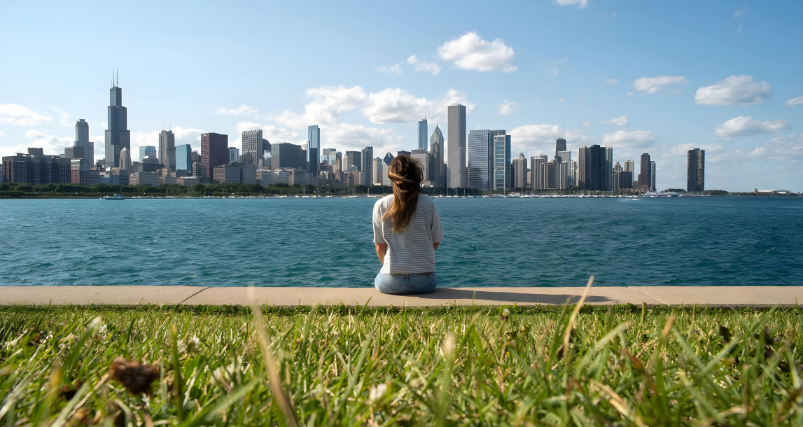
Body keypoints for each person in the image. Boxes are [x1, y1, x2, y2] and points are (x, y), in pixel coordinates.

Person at [372, 155, 443, 294]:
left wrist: (395, 268)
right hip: (425, 282)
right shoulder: (429, 204)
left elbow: (379, 246)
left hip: (391, 282)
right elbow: (435, 242)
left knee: (378, 279)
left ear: (392, 178)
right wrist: (417, 261)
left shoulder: (381, 205)